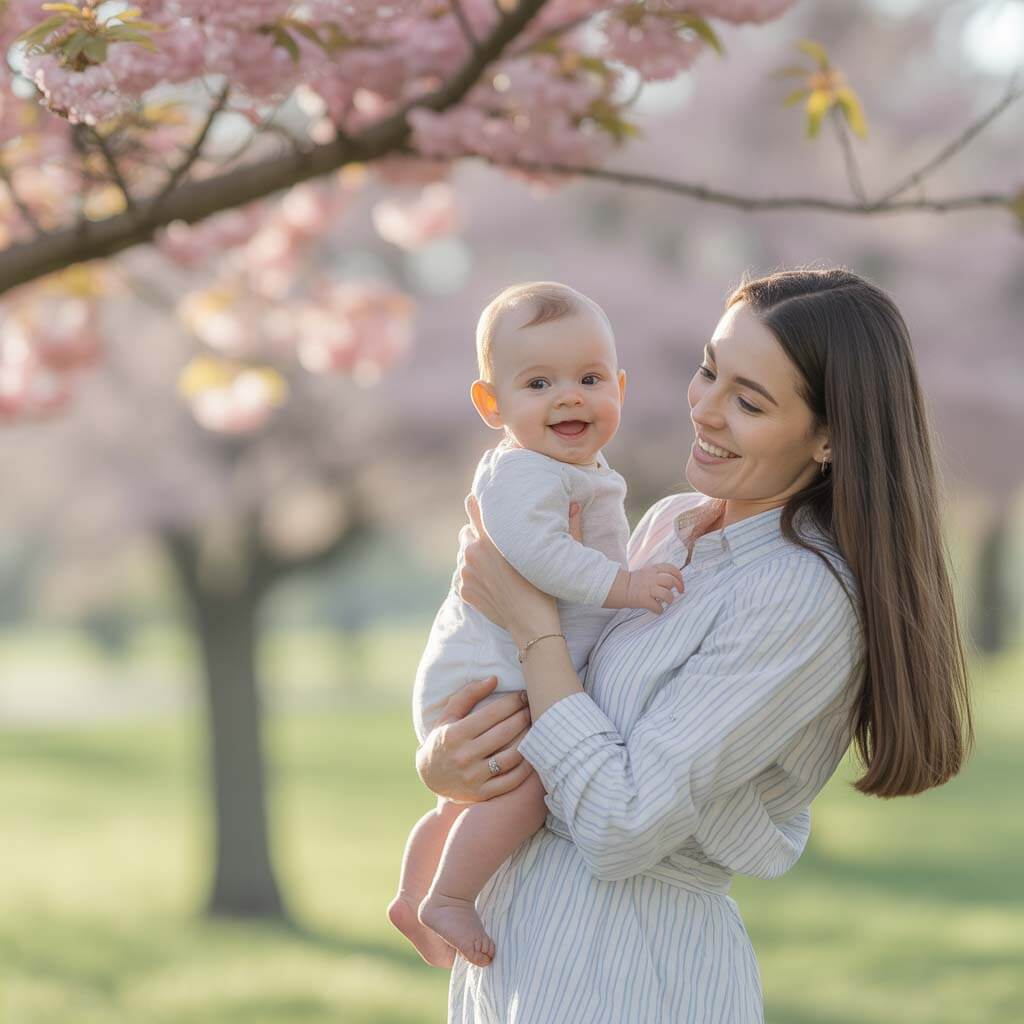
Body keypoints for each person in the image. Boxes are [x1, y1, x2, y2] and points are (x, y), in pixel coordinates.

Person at [415, 268, 974, 1023]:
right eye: (709, 371)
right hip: (522, 950)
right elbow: (562, 711)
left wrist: (532, 622)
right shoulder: (672, 529)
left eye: (748, 401)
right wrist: (450, 766)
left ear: (829, 437)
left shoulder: (795, 594)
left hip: (625, 967)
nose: (705, 411)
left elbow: (619, 823)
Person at [388, 282, 685, 969]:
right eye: (539, 382)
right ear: (492, 404)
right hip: (489, 673)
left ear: (620, 386)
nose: (569, 397)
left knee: (474, 798)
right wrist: (626, 586)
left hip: (504, 670)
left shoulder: (574, 468)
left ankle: (414, 892)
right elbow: (536, 559)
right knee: (530, 784)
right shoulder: (523, 473)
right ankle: (451, 897)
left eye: (588, 379)